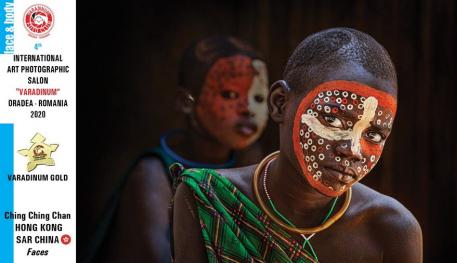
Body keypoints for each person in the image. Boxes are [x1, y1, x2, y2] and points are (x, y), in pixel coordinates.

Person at [173, 28, 423, 263]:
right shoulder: (208, 198)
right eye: (333, 119)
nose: (352, 149)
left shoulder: (391, 228)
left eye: (375, 135)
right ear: (280, 103)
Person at [82, 36, 270, 263]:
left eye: (258, 97)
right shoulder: (152, 175)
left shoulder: (250, 160)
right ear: (185, 101)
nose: (248, 109)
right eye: (230, 95)